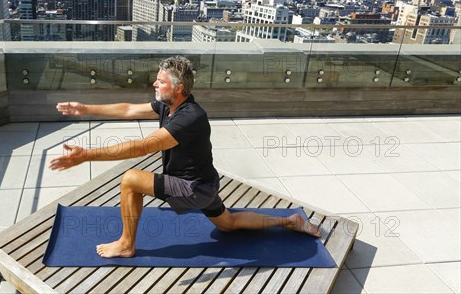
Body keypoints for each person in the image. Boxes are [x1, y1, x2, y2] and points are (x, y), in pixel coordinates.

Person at [50, 56, 320, 259]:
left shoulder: (189, 117)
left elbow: (142, 148)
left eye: (161, 81)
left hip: (193, 187)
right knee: (228, 224)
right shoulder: (170, 104)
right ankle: (289, 221)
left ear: (178, 88)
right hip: (205, 183)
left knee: (131, 180)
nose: (154, 83)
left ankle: (126, 244)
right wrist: (85, 108)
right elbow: (130, 109)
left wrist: (87, 155)